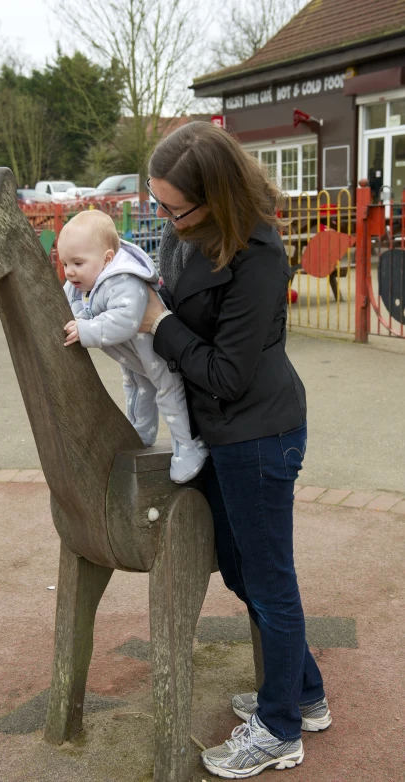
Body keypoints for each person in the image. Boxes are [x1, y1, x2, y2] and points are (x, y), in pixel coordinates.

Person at [139, 122, 331, 779]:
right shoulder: (185, 230)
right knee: (245, 572)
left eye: (174, 207)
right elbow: (172, 298)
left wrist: (158, 324)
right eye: (157, 204)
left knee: (270, 579)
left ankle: (279, 730)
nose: (164, 219)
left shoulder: (259, 254)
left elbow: (226, 373)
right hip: (218, 433)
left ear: (214, 197)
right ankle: (301, 692)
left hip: (259, 433)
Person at [60, 209, 208, 483]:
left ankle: (189, 447)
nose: (69, 272)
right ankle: (140, 433)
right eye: (65, 263)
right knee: (138, 389)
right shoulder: (81, 282)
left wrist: (86, 329)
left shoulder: (124, 279)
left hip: (159, 354)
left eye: (77, 263)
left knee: (169, 393)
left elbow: (125, 320)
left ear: (106, 259)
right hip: (133, 357)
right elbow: (72, 306)